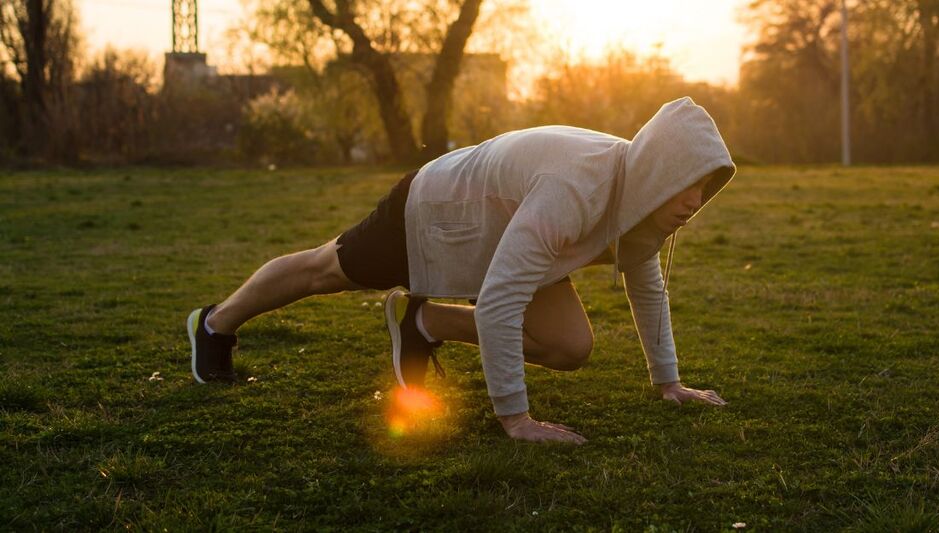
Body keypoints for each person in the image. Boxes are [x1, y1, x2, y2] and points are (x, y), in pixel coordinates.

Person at [186, 97, 736, 444]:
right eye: (685, 181)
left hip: (511, 224)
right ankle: (215, 323)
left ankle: (424, 324)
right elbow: (500, 303)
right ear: (658, 169)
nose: (694, 200)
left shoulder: (646, 199)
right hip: (436, 205)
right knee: (324, 270)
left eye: (704, 184)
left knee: (570, 346)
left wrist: (669, 382)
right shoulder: (577, 188)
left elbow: (646, 282)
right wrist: (515, 420)